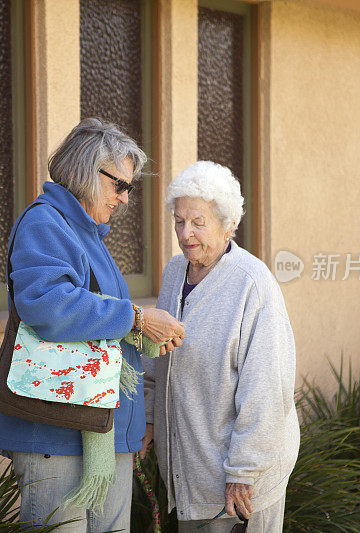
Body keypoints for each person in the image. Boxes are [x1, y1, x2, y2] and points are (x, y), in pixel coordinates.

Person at [0, 118, 185, 532]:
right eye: (120, 185)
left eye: (129, 188)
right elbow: (47, 305)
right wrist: (136, 318)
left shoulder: (88, 235)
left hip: (97, 428)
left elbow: (99, 322)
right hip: (58, 431)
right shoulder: (45, 223)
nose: (125, 199)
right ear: (85, 170)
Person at [141, 161, 300, 532]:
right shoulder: (174, 272)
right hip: (190, 471)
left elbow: (267, 387)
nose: (185, 233)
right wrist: (149, 418)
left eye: (198, 222)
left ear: (229, 226)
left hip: (237, 482)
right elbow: (156, 360)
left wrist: (244, 470)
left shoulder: (253, 284)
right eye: (179, 221)